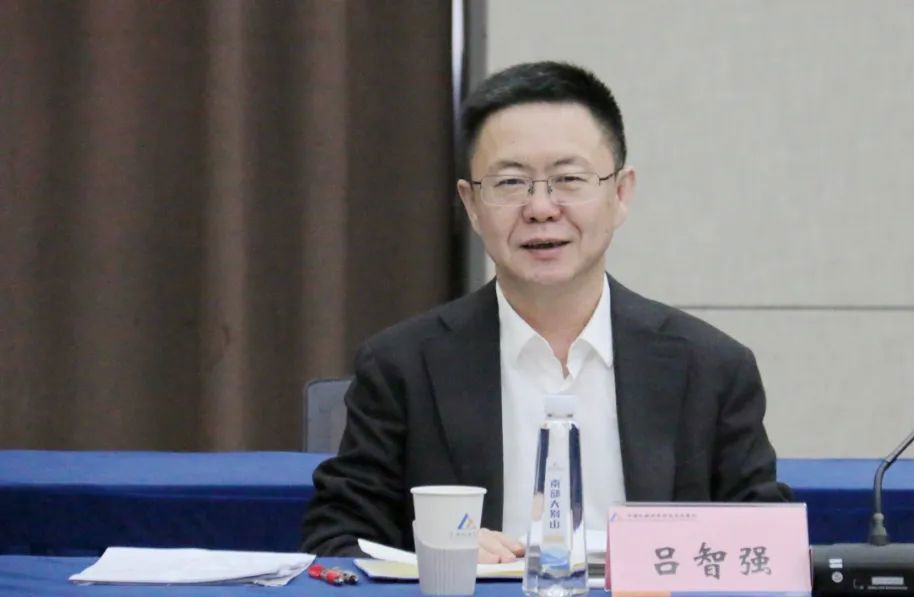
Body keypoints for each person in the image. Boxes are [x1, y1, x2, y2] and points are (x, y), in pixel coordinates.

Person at [300, 61, 789, 562]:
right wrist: (435, 553)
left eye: (568, 179)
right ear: (472, 204)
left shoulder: (710, 368)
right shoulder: (403, 366)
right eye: (511, 183)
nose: (540, 208)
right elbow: (336, 542)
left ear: (621, 194)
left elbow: (766, 547)